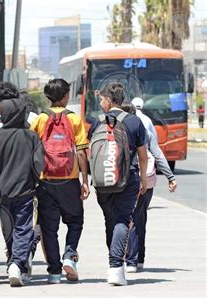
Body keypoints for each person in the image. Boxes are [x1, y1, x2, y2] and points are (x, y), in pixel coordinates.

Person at [88, 83, 148, 286]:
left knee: (110, 220)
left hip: (102, 180)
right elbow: (142, 155)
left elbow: (91, 153)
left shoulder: (97, 122)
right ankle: (116, 268)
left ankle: (114, 263)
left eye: (102, 99)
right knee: (123, 220)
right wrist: (143, 179)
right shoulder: (133, 122)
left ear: (108, 99)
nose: (100, 102)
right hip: (127, 178)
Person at [30, 79, 90, 284]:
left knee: (48, 228)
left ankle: (54, 272)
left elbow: (31, 149)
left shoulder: (39, 119)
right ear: (65, 97)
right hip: (69, 180)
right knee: (75, 221)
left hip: (45, 181)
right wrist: (84, 180)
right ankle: (70, 256)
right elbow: (81, 151)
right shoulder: (74, 119)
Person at [0, 98, 45, 287]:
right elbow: (39, 163)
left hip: (1, 192)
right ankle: (16, 263)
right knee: (23, 227)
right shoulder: (30, 136)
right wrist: (35, 178)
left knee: (9, 228)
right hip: (25, 190)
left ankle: (13, 259)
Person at [122, 103, 177, 273]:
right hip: (149, 180)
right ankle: (139, 260)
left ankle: (131, 260)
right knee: (140, 219)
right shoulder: (144, 130)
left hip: (130, 180)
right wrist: (170, 176)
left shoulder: (121, 131)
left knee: (129, 219)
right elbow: (158, 153)